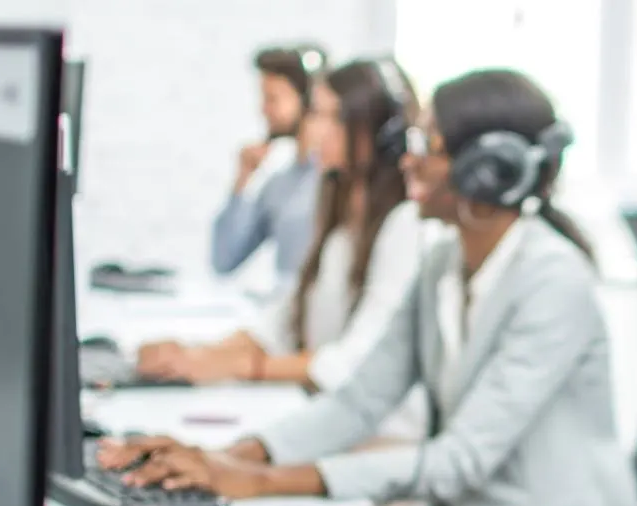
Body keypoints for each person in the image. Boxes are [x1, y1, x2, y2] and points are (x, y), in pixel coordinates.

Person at [99, 68, 637, 506]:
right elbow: (361, 400)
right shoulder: (444, 262)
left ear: (489, 170)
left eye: (427, 144)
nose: (407, 159)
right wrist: (224, 458)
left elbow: (460, 460)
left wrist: (262, 482)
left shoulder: (553, 281)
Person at [141, 58, 434, 418]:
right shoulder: (338, 209)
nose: (314, 129)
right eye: (315, 114)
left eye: (331, 117)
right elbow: (287, 315)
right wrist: (198, 354)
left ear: (381, 133)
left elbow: (355, 360)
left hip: (372, 428)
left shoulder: (405, 225)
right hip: (318, 411)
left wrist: (242, 366)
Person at [210, 44, 327, 282]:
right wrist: (242, 180)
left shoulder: (335, 181)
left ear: (309, 100)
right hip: (283, 313)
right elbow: (224, 259)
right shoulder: (279, 185)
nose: (263, 110)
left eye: (272, 99)